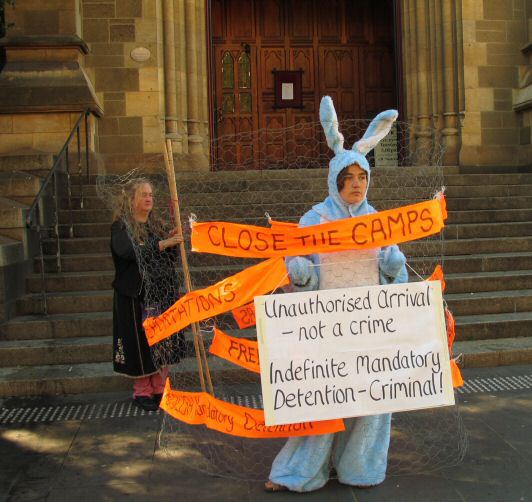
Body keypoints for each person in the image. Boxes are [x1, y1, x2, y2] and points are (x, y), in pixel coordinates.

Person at [265, 96, 408, 492]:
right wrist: (299, 272)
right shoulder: (314, 218)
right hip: (326, 323)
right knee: (323, 398)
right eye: (349, 179)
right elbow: (298, 266)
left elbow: (395, 273)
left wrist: (394, 268)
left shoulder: (378, 220)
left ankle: (359, 467)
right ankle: (298, 471)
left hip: (369, 321)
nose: (356, 185)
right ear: (336, 181)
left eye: (362, 178)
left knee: (373, 399)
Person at [111, 178, 184, 412]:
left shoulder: (157, 225)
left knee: (161, 340)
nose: (149, 198)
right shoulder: (121, 226)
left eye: (150, 194)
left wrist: (173, 242)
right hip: (134, 295)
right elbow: (128, 252)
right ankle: (142, 390)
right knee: (139, 341)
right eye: (143, 194)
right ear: (131, 200)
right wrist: (162, 244)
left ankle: (160, 386)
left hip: (160, 292)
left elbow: (168, 259)